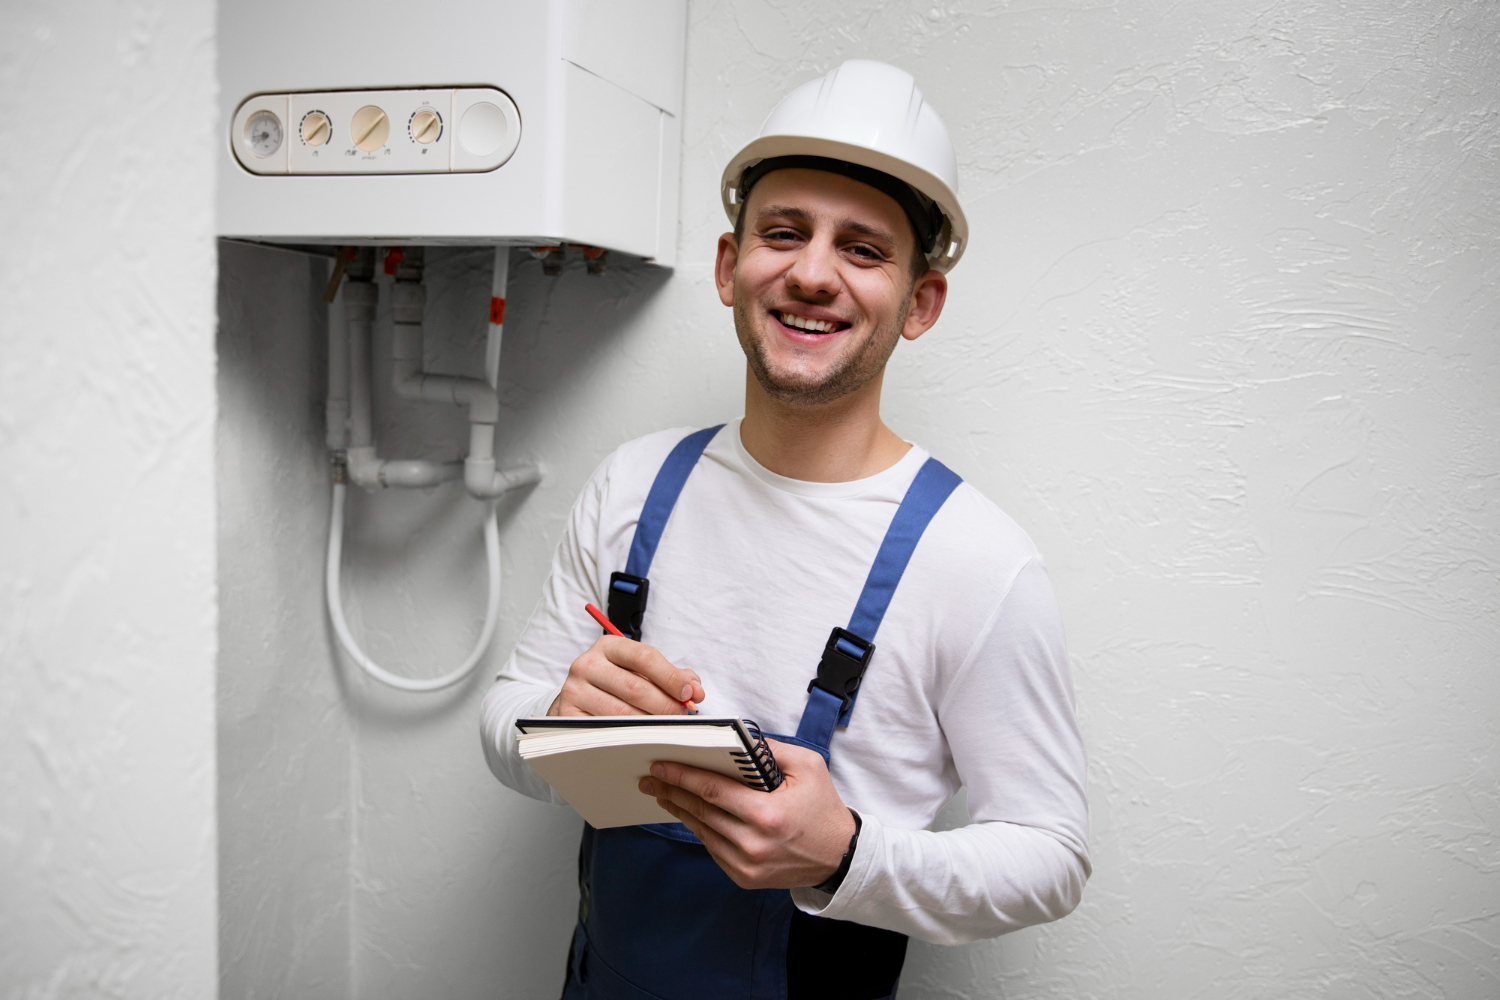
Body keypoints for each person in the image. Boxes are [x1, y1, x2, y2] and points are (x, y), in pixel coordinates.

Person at [480, 59, 1089, 1000]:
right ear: (731, 268)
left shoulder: (975, 560)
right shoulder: (633, 485)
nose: (811, 273)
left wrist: (845, 855)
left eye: (863, 248)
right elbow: (501, 718)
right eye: (784, 233)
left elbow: (1050, 858)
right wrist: (551, 727)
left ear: (919, 303)